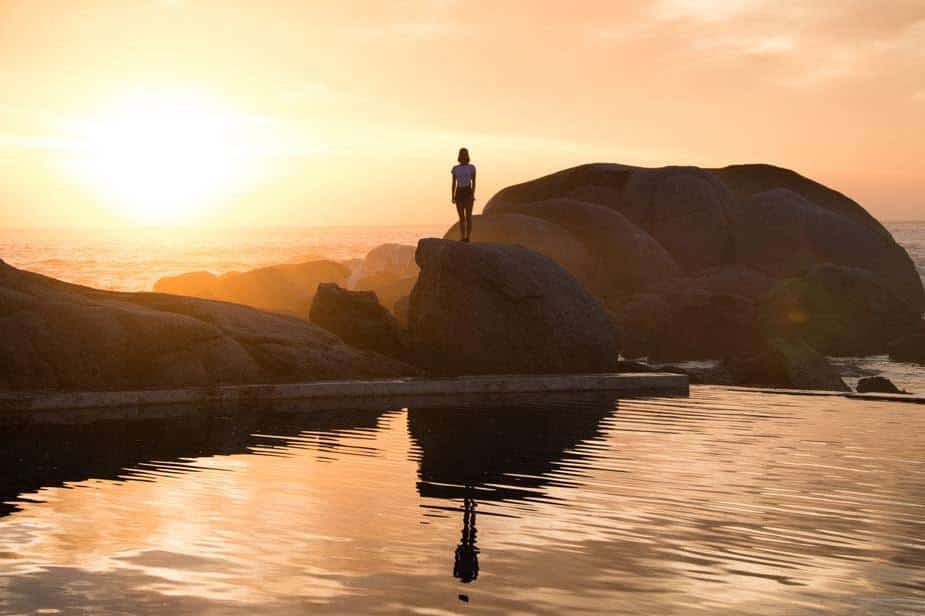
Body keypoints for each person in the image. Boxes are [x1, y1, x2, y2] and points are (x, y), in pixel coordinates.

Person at [451, 148, 476, 242]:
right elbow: (454, 183)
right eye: (462, 154)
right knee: (461, 217)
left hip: (468, 191)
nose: (463, 156)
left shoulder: (471, 167)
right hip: (459, 192)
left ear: (467, 156)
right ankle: (462, 236)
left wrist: (472, 194)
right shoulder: (455, 168)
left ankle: (468, 237)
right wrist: (452, 195)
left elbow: (474, 182)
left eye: (465, 154)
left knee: (468, 216)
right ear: (459, 156)